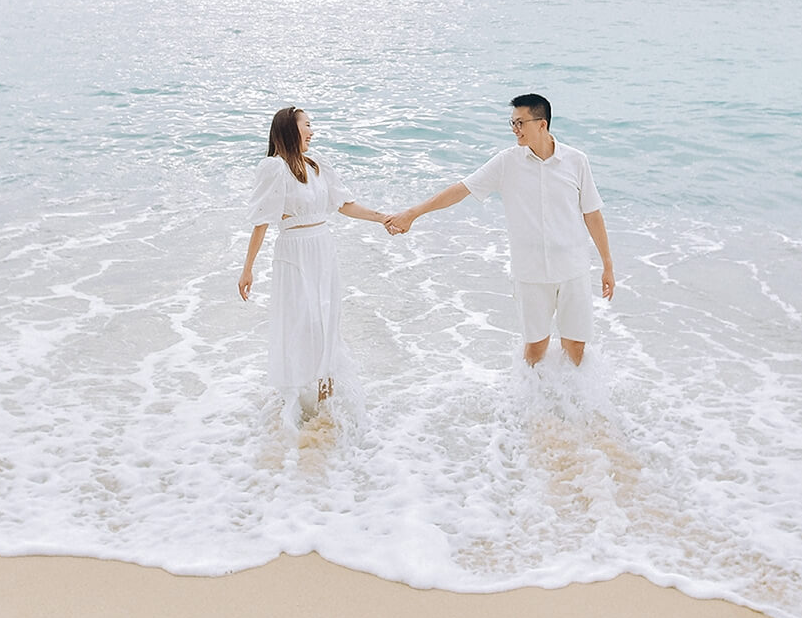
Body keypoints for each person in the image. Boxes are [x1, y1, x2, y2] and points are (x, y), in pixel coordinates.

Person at [385, 93, 613, 367]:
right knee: (536, 348)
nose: (515, 129)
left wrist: (607, 265)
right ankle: (532, 404)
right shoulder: (506, 162)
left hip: (573, 268)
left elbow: (592, 213)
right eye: (512, 123)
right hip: (530, 272)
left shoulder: (577, 161)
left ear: (542, 124)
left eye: (520, 123)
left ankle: (573, 404)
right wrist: (413, 213)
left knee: (576, 347)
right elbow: (461, 190)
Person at [238, 106, 392, 419]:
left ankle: (325, 402)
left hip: (323, 248)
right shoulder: (273, 169)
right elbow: (262, 222)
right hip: (293, 252)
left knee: (327, 322)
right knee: (299, 325)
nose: (312, 131)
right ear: (289, 129)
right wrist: (247, 268)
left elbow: (344, 204)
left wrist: (382, 218)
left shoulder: (318, 163)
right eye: (307, 125)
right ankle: (291, 403)